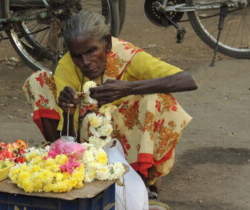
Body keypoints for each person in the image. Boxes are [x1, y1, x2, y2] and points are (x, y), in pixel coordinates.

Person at [22, 10, 197, 192]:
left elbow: (187, 80)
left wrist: (129, 88)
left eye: (91, 51)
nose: (85, 62)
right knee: (38, 81)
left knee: (157, 99)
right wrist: (68, 112)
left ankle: (144, 177)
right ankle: (63, 166)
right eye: (77, 56)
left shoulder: (128, 56)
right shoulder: (66, 67)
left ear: (106, 43)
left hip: (123, 135)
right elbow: (69, 138)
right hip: (86, 140)